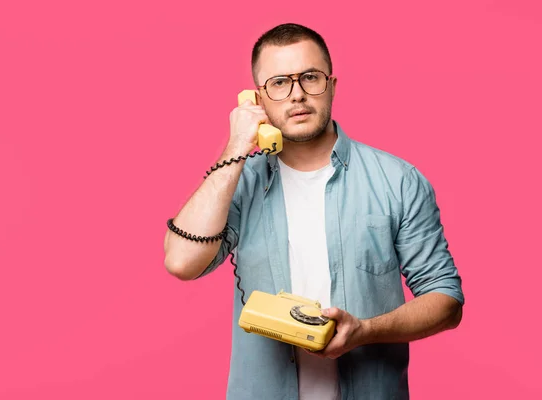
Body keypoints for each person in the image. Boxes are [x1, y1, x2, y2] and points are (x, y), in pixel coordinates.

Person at [163, 22, 464, 400]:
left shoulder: (398, 181)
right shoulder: (238, 184)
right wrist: (236, 146)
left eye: (310, 77)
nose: (297, 95)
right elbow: (181, 261)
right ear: (256, 98)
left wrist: (366, 331)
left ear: (332, 85)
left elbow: (446, 300)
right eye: (278, 83)